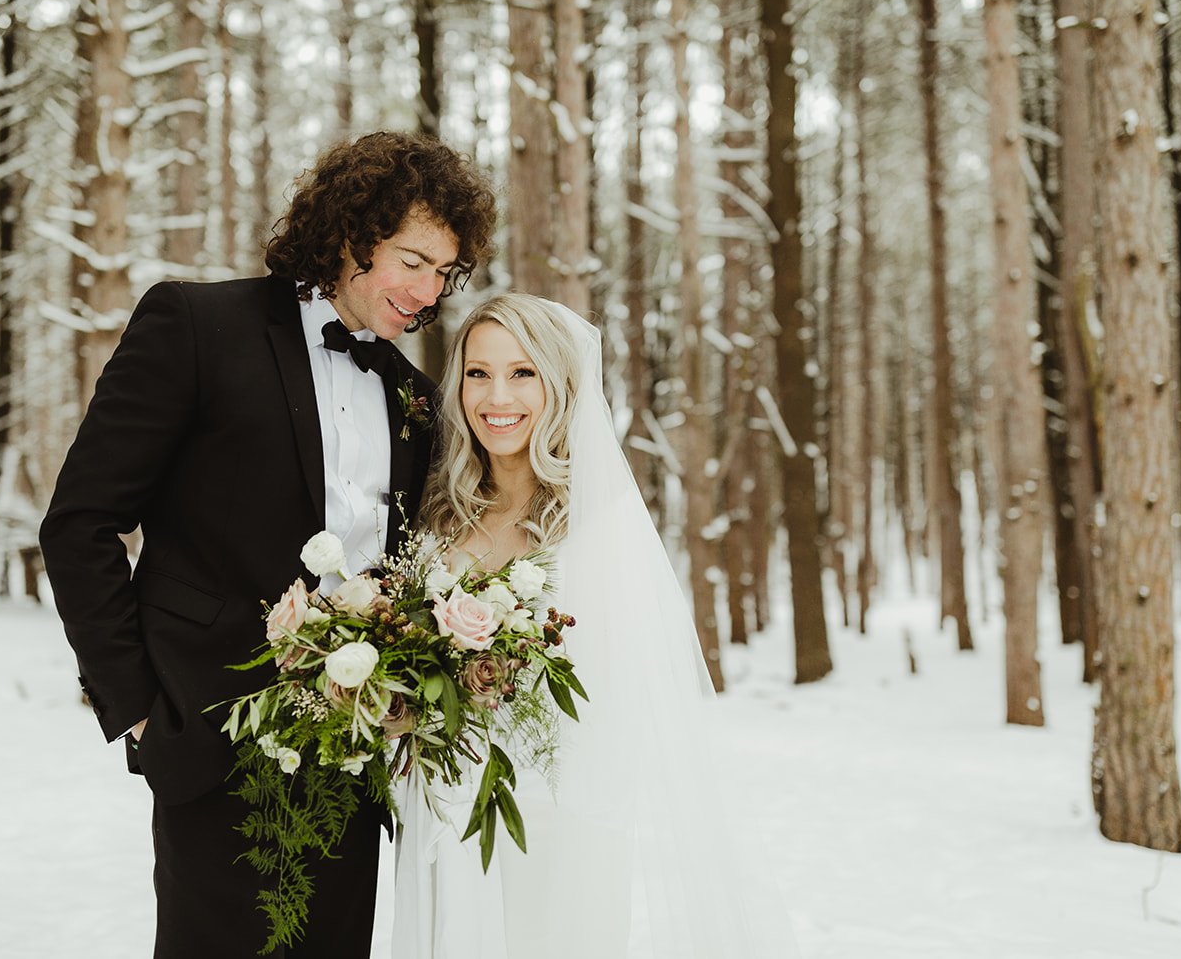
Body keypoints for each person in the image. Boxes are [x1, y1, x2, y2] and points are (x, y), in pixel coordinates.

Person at [38, 130, 497, 959]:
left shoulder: (418, 397)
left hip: (356, 760)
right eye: (413, 261)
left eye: (445, 273)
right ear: (354, 232)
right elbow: (80, 522)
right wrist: (138, 708)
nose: (428, 293)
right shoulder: (195, 324)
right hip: (209, 739)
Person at [393, 294, 787, 958]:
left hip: (554, 820)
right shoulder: (437, 514)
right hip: (440, 816)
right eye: (478, 373)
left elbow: (621, 690)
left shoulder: (598, 521)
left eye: (523, 373)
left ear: (559, 383)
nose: (498, 395)